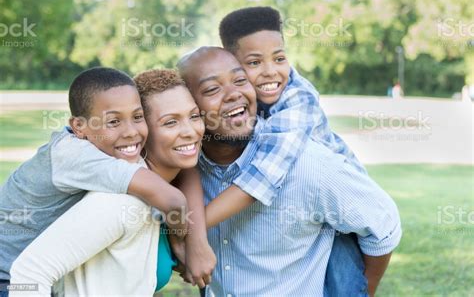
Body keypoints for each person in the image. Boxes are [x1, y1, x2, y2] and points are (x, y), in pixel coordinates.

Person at [177, 46, 402, 296]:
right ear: (188, 107)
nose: (233, 94)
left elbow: (383, 225)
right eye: (212, 89)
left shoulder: (308, 164)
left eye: (240, 80)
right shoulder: (184, 169)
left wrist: (362, 290)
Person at [9, 69, 214, 295]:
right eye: (170, 122)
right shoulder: (119, 197)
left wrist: (195, 240)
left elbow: (187, 177)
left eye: (194, 116)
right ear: (79, 126)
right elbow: (30, 271)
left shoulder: (150, 182)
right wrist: (182, 242)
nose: (189, 131)